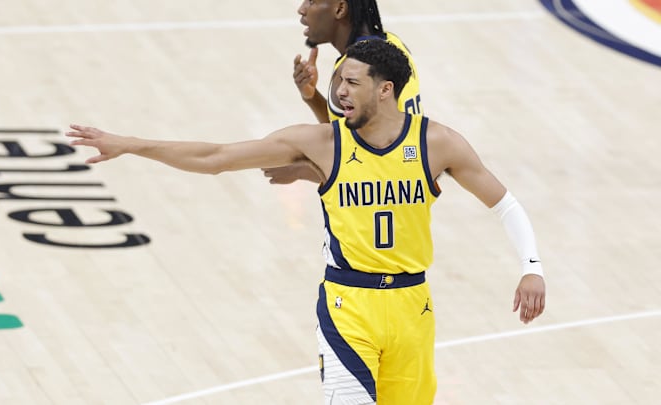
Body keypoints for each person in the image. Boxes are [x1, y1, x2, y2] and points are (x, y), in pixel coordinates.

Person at [67, 39, 546, 405]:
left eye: (351, 83)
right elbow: (215, 156)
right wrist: (130, 143)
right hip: (347, 306)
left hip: (412, 306)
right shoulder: (322, 143)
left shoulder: (436, 142)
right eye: (338, 81)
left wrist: (532, 267)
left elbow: (504, 203)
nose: (338, 92)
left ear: (385, 89)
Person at [264, 0, 423, 184]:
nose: (302, 9)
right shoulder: (393, 45)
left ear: (340, 9)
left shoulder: (357, 69)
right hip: (409, 190)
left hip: (382, 201)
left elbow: (369, 165)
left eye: (312, 1)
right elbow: (347, 138)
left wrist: (301, 170)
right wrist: (312, 96)